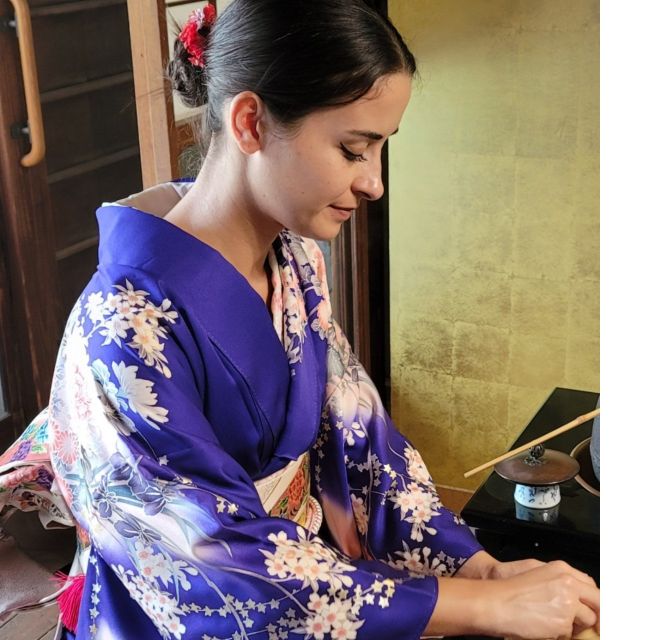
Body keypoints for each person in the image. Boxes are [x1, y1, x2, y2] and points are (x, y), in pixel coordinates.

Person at [0, 1, 600, 638]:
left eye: (379, 150)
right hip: (183, 610)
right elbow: (207, 559)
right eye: (351, 149)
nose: (373, 183)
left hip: (299, 567)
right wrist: (479, 608)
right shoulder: (123, 322)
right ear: (252, 122)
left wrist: (480, 571)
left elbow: (360, 435)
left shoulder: (296, 261)